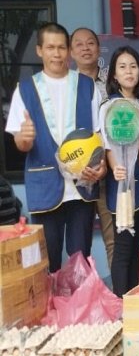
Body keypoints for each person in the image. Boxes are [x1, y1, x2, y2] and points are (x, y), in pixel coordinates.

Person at [5, 22, 105, 272]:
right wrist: (25, 138)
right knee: (48, 260)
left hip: (82, 185)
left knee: (80, 261)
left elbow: (99, 136)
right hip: (45, 184)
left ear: (68, 51)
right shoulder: (25, 89)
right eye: (50, 47)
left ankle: (79, 311)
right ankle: (51, 311)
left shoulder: (86, 85)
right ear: (39, 50)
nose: (57, 53)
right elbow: (21, 142)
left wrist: (100, 167)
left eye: (61, 47)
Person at [100, 46, 139, 296]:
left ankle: (131, 301)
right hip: (121, 188)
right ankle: (120, 304)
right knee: (122, 249)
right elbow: (107, 146)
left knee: (136, 248)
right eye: (122, 67)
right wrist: (114, 167)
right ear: (113, 75)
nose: (129, 71)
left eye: (133, 66)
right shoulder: (108, 106)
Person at [71, 27, 116, 269]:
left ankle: (118, 298)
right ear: (71, 52)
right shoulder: (67, 86)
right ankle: (84, 300)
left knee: (113, 239)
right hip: (78, 176)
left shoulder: (112, 81)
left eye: (90, 43)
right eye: (79, 44)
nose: (85, 48)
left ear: (99, 49)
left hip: (108, 170)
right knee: (79, 242)